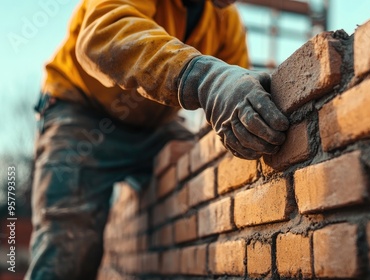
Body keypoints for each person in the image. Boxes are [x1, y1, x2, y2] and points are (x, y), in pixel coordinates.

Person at [26, 0, 289, 279]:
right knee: (68, 247)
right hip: (82, 114)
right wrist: (204, 78)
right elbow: (103, 34)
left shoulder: (226, 21)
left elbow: (236, 94)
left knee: (196, 172)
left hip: (156, 128)